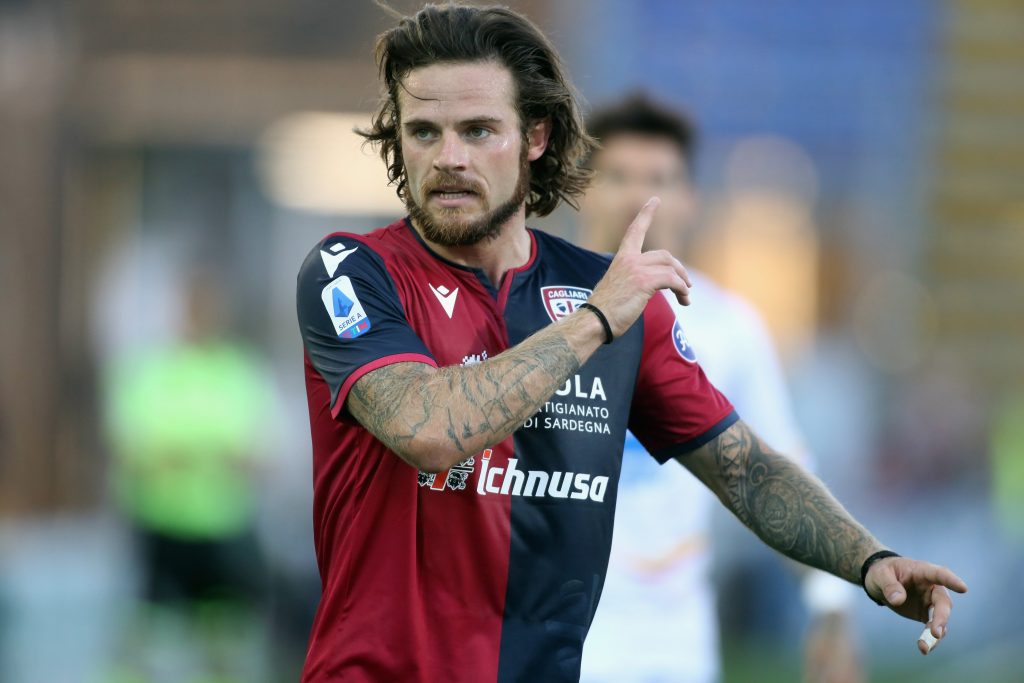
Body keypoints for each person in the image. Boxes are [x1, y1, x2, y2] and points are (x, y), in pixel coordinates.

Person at [294, 5, 967, 682]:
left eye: (477, 130)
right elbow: (428, 427)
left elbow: (743, 468)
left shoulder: (612, 298)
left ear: (535, 136)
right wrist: (594, 321)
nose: (449, 158)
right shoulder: (351, 271)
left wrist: (868, 558)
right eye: (423, 132)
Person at [577, 94, 860, 683]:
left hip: (674, 653)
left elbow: (775, 473)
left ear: (691, 198)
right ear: (580, 187)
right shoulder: (527, 311)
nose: (638, 197)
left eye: (660, 179)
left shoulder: (729, 327)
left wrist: (831, 607)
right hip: (552, 646)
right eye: (618, 176)